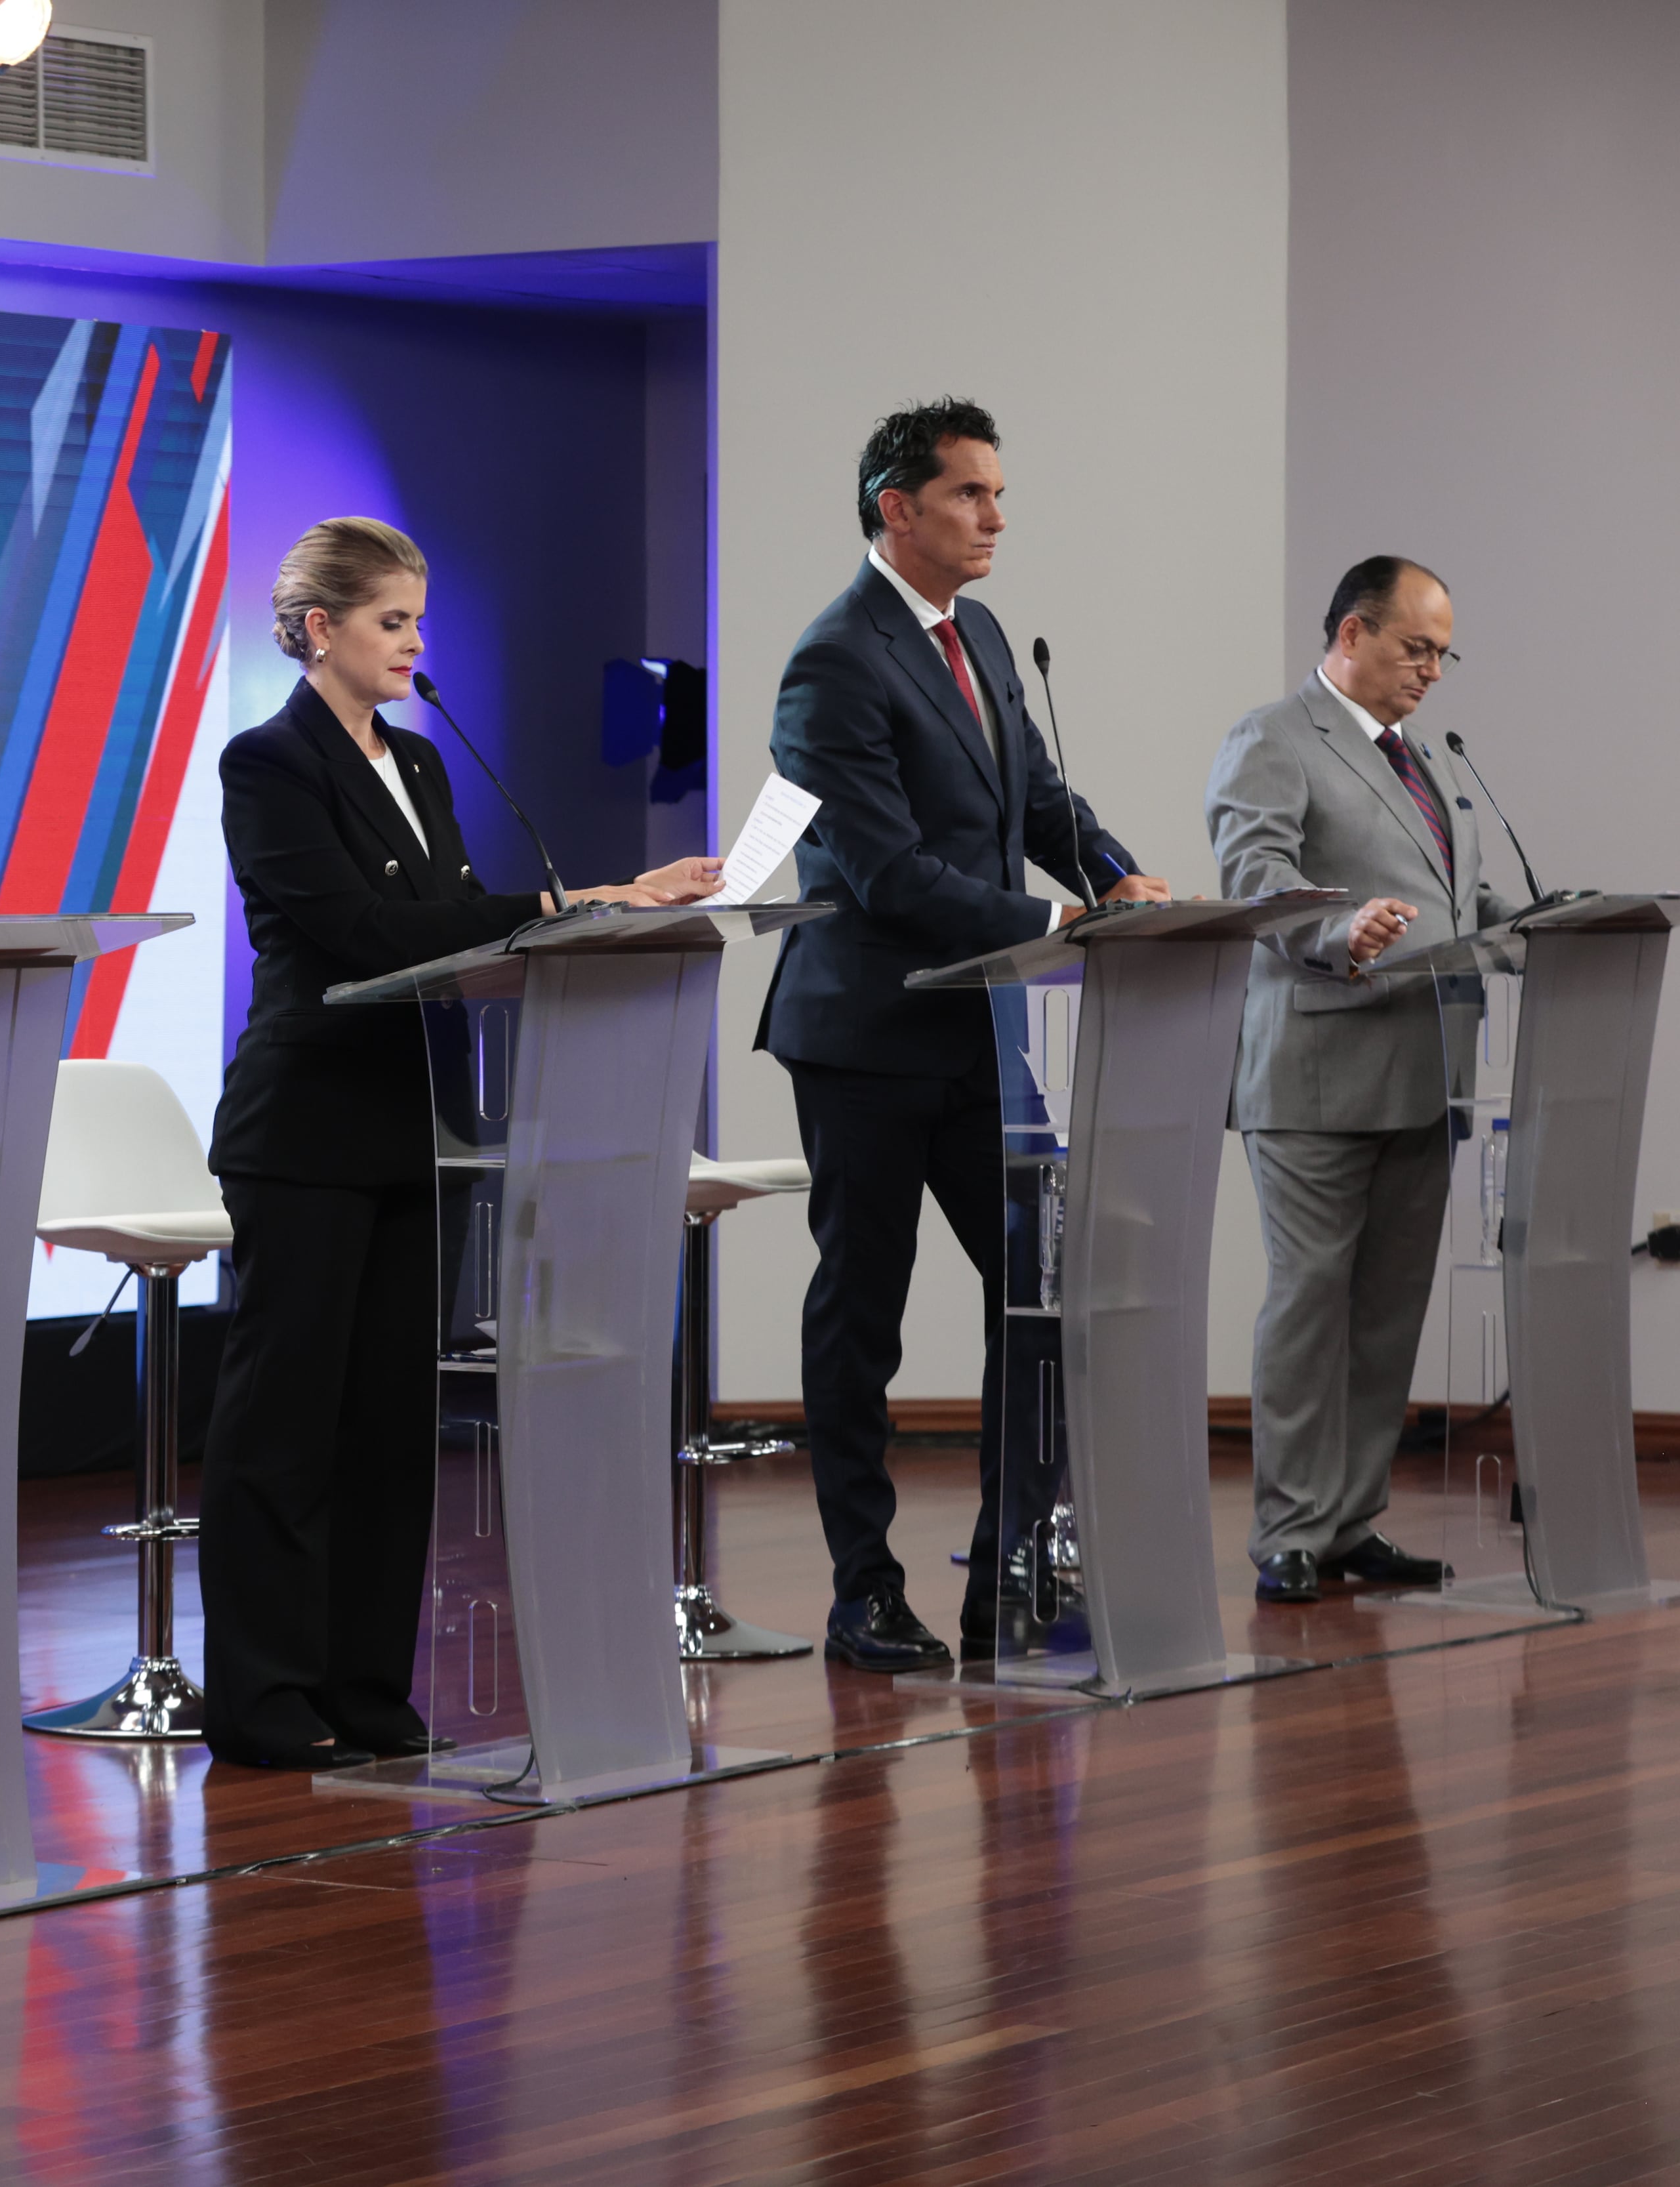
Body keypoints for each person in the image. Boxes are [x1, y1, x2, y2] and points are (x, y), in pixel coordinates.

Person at [197, 516, 720, 1770]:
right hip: (306, 1126)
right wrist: (571, 902)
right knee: (287, 1427)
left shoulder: (421, 767)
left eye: (419, 621)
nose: (415, 645)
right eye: (393, 622)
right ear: (320, 630)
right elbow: (364, 931)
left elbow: (449, 927)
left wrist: (568, 928)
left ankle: (370, 1689)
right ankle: (266, 1699)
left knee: (388, 1427)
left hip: (412, 1127)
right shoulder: (265, 764)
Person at [756, 399, 1171, 1673]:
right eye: (971, 494)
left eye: (998, 494)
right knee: (862, 1316)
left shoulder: (978, 633)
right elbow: (884, 872)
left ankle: (1008, 1579)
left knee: (1035, 1300)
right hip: (870, 1033)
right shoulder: (834, 661)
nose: (997, 516)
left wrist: (1114, 873)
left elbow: (1039, 798)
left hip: (982, 1025)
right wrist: (1061, 916)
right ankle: (861, 1590)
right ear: (898, 506)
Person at [1206, 556, 1508, 1602]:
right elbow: (1256, 875)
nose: (1432, 670)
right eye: (1414, 647)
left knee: (1387, 1312)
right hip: (1318, 1076)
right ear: (1349, 634)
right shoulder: (1275, 738)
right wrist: (1339, 930)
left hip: (1425, 1075)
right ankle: (1289, 1530)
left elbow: (1454, 896)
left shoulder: (1425, 760)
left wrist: (1541, 922)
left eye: (1441, 652)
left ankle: (1348, 1524)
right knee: (1310, 1305)